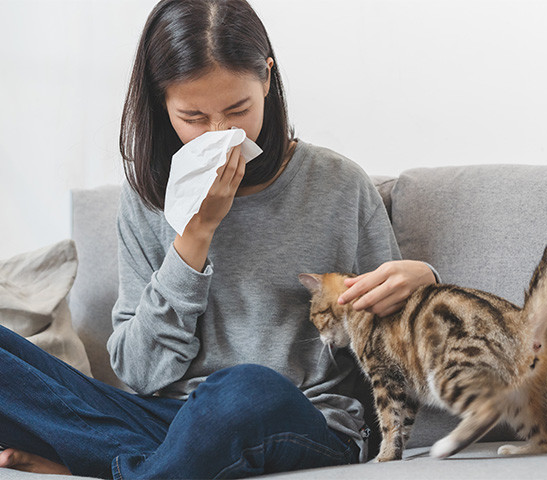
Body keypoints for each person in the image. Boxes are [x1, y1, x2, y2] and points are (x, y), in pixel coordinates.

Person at [0, 0, 439, 477]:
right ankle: (145, 462)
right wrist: (194, 237)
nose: (221, 134)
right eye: (193, 117)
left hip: (297, 416)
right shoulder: (147, 199)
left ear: (267, 80)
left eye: (238, 109)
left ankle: (115, 464)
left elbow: (393, 353)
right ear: (161, 102)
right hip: (167, 420)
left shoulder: (338, 185)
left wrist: (423, 283)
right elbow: (139, 373)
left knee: (245, 389)